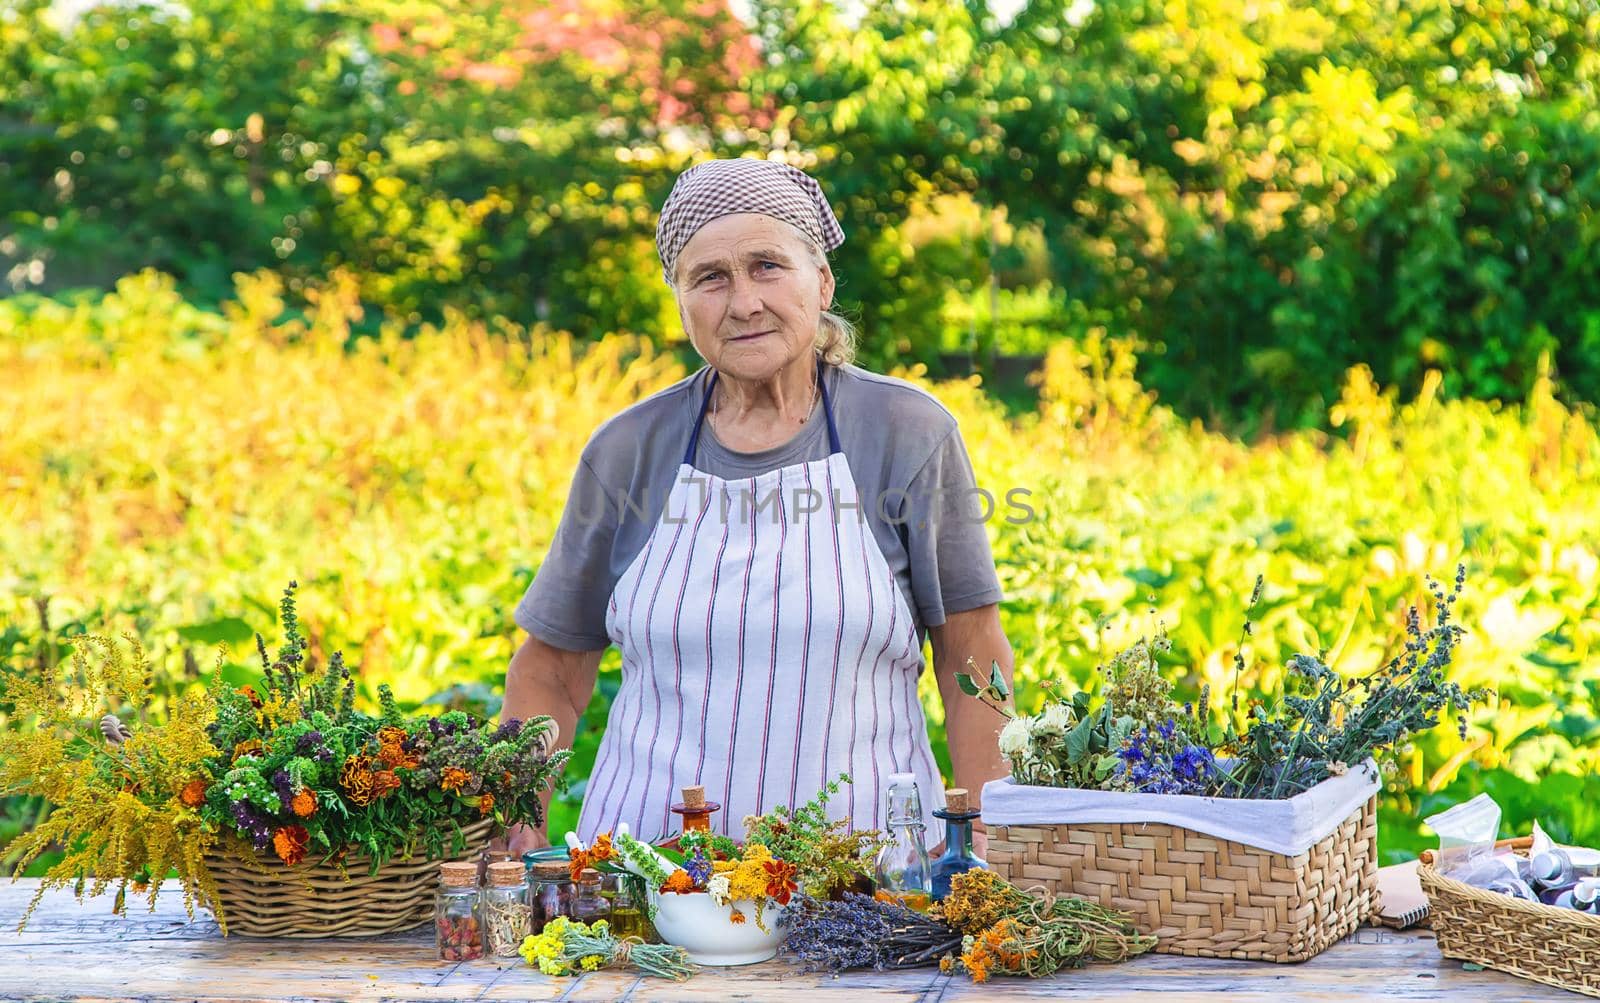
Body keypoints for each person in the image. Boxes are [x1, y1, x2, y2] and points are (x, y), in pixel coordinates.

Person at [504, 157, 1013, 856]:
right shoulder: (626, 450)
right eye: (709, 278)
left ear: (823, 280)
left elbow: (972, 656)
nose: (743, 301)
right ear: (680, 299)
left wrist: (986, 838)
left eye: (768, 266)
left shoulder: (906, 432)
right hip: (645, 894)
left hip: (867, 891)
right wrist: (516, 825)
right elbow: (551, 671)